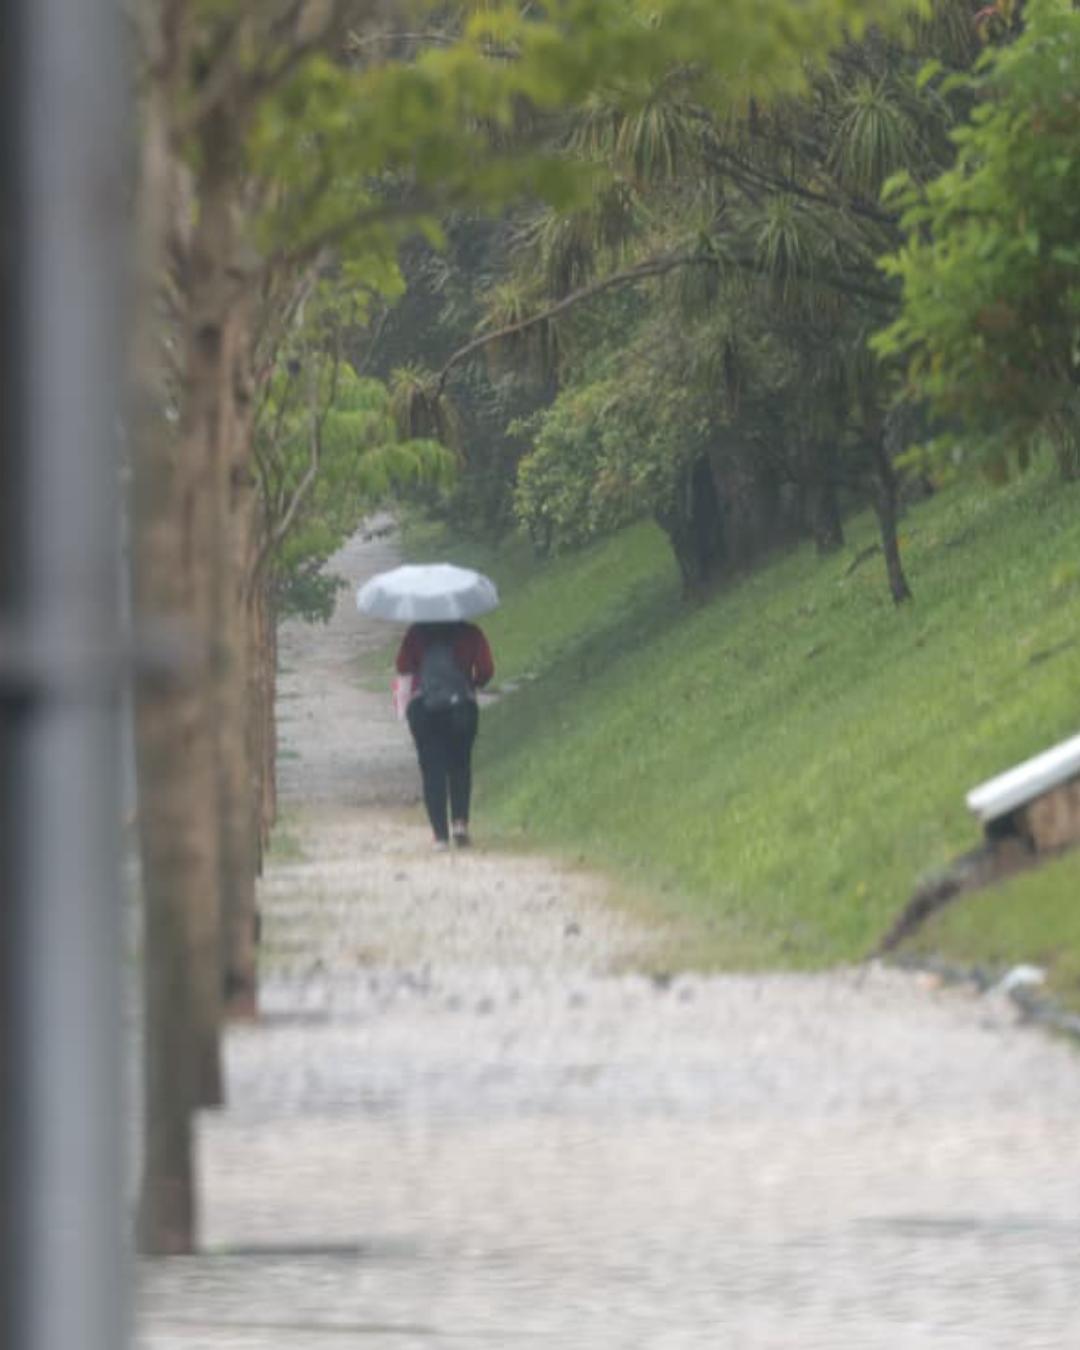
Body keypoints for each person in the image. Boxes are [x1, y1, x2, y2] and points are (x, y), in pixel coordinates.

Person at [395, 619, 495, 849]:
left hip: (424, 707)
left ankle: (440, 835)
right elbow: (487, 669)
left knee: (432, 771)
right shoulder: (471, 632)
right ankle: (460, 824)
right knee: (460, 765)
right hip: (461, 707)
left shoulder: (417, 633)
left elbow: (402, 666)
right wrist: (470, 684)